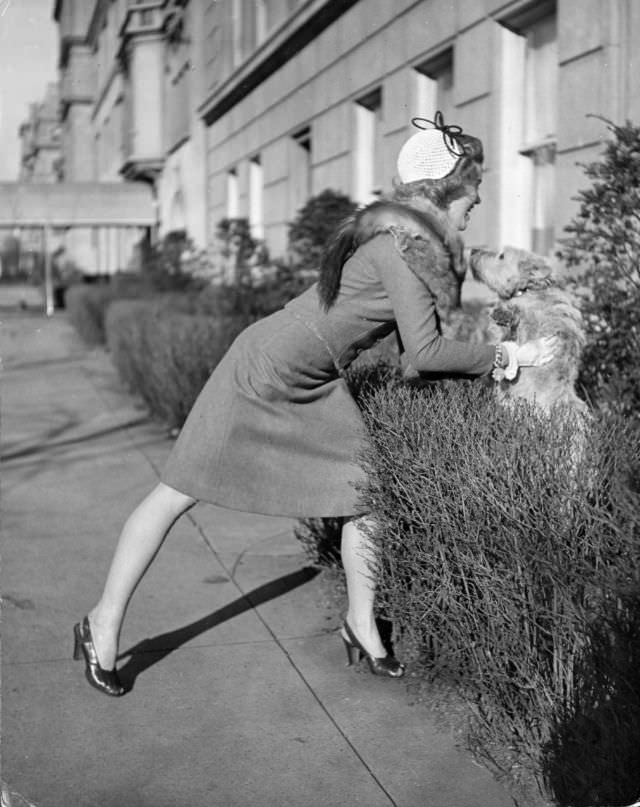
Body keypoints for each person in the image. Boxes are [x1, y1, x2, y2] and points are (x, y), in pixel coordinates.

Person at [73, 113, 558, 696]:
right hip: (264, 369)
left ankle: (361, 625)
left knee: (365, 491)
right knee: (176, 493)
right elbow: (426, 353)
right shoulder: (401, 249)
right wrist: (512, 357)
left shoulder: (411, 246)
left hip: (311, 376)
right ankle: (100, 623)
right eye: (472, 190)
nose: (477, 201)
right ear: (444, 191)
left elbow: (412, 351)